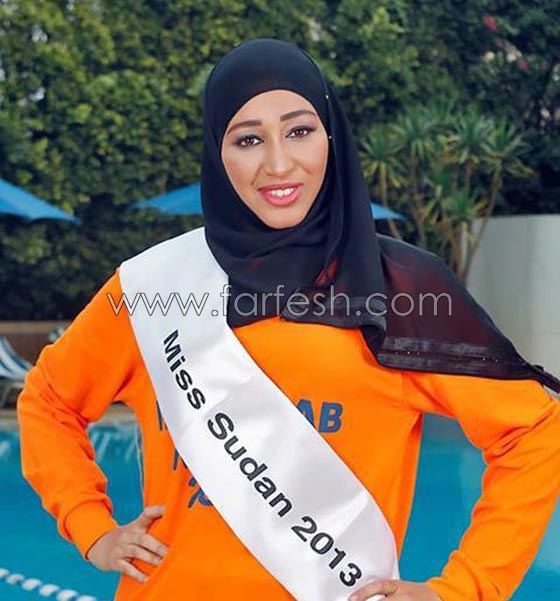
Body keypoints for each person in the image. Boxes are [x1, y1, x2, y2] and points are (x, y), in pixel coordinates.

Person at [17, 38, 560, 601]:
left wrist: (462, 588)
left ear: (331, 136)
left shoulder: (399, 289)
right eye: (248, 139)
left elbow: (532, 431)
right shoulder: (155, 287)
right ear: (217, 152)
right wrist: (90, 527)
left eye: (299, 131)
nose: (278, 164)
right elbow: (49, 401)